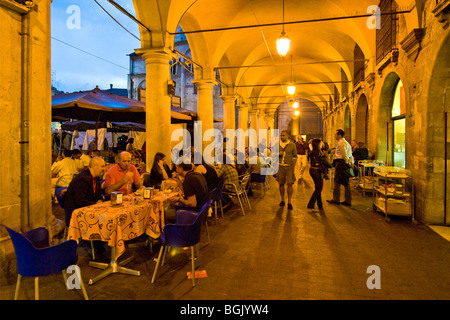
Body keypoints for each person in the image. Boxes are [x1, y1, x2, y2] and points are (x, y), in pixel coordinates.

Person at [327, 129, 354, 206]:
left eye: (335, 134)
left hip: (341, 163)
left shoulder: (341, 143)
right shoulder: (346, 143)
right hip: (343, 163)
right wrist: (351, 162)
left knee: (337, 181)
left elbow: (344, 154)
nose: (334, 136)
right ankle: (347, 200)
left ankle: (336, 199)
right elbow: (350, 154)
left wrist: (346, 162)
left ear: (339, 135)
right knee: (345, 182)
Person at [274, 130, 297, 210]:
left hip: (289, 167)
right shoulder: (277, 145)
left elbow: (295, 156)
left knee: (290, 184)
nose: (282, 137)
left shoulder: (292, 145)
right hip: (280, 166)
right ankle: (282, 199)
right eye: (281, 135)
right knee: (281, 183)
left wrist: (293, 166)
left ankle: (289, 201)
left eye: (283, 135)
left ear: (288, 136)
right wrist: (278, 154)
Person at [307, 139, 332, 210]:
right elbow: (325, 162)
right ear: (318, 144)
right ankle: (311, 204)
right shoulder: (319, 152)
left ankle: (320, 204)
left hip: (312, 170)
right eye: (321, 143)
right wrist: (331, 165)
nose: (322, 145)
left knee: (318, 187)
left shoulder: (312, 152)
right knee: (319, 189)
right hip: (317, 171)